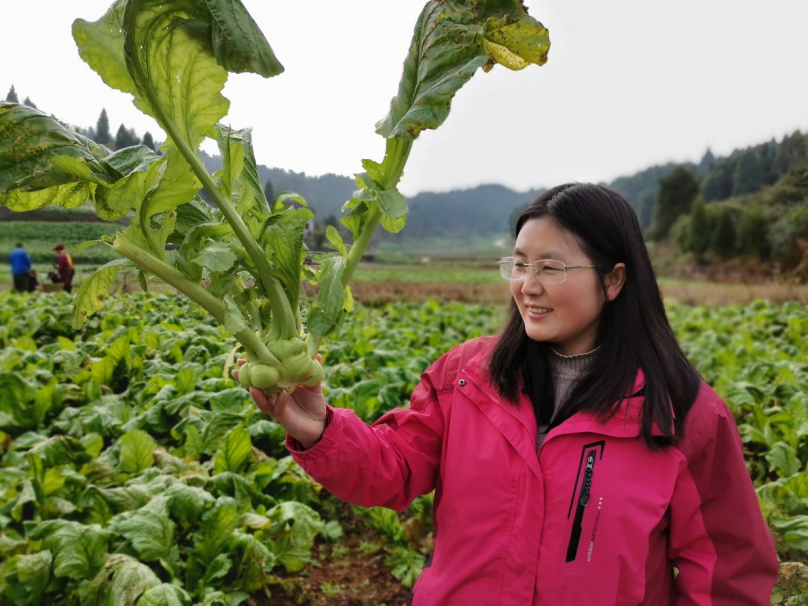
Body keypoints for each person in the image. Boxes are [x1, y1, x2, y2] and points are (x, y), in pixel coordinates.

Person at [236, 183, 779, 605]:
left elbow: (728, 572)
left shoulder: (684, 415)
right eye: (519, 265)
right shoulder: (467, 376)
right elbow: (395, 468)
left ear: (614, 281)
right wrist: (321, 428)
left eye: (551, 267)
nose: (527, 285)